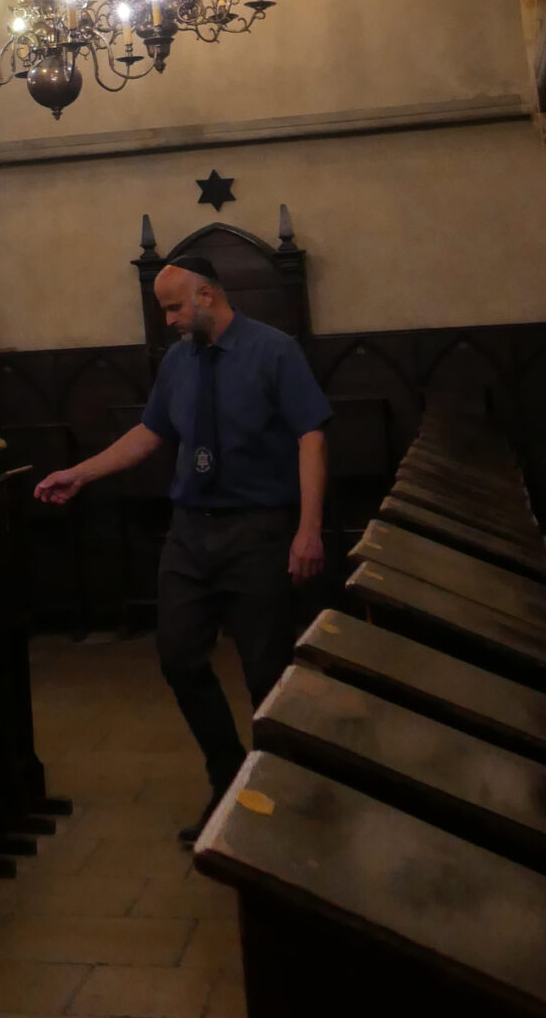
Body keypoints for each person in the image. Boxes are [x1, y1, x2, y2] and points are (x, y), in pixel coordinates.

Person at [33, 253, 330, 843]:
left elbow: (311, 436)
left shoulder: (274, 351)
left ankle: (283, 799)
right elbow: (151, 432)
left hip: (259, 529)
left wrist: (309, 528)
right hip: (191, 533)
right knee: (178, 658)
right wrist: (82, 474)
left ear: (207, 296)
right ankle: (228, 777)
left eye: (173, 306)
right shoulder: (177, 362)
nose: (166, 319)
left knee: (266, 672)